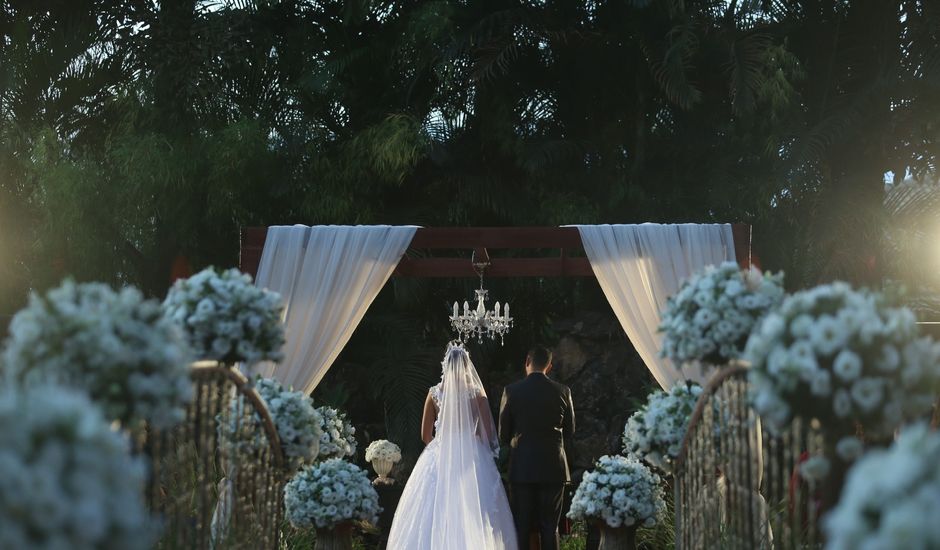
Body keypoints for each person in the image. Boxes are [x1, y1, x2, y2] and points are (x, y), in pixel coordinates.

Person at [387, 342, 517, 550]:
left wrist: (440, 446)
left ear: (445, 365)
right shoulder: (477, 395)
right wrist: (471, 442)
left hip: (440, 452)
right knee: (474, 506)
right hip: (471, 455)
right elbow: (489, 433)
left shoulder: (434, 393)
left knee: (433, 504)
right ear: (467, 366)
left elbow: (424, 434)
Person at [498, 346, 575, 550]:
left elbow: (503, 435)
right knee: (550, 527)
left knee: (521, 527)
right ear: (549, 366)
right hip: (554, 468)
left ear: (527, 362)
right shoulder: (563, 391)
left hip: (522, 468)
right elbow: (570, 430)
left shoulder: (511, 391)